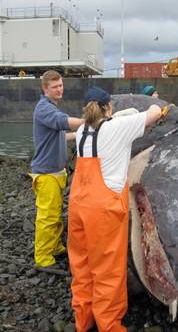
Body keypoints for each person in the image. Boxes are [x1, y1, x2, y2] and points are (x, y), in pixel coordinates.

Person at [68, 86, 163, 331]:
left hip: (79, 205)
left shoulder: (81, 132)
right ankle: (108, 325)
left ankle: (84, 320)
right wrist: (154, 106)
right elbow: (153, 113)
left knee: (82, 266)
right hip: (104, 210)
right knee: (107, 270)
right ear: (108, 108)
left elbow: (105, 125)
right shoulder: (116, 128)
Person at [30, 70, 84, 269]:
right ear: (45, 89)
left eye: (61, 85)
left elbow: (61, 135)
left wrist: (81, 133)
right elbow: (63, 121)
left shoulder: (50, 107)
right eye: (55, 87)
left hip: (56, 172)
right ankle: (43, 258)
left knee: (55, 213)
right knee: (48, 216)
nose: (59, 89)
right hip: (46, 174)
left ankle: (55, 247)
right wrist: (89, 121)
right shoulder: (44, 108)